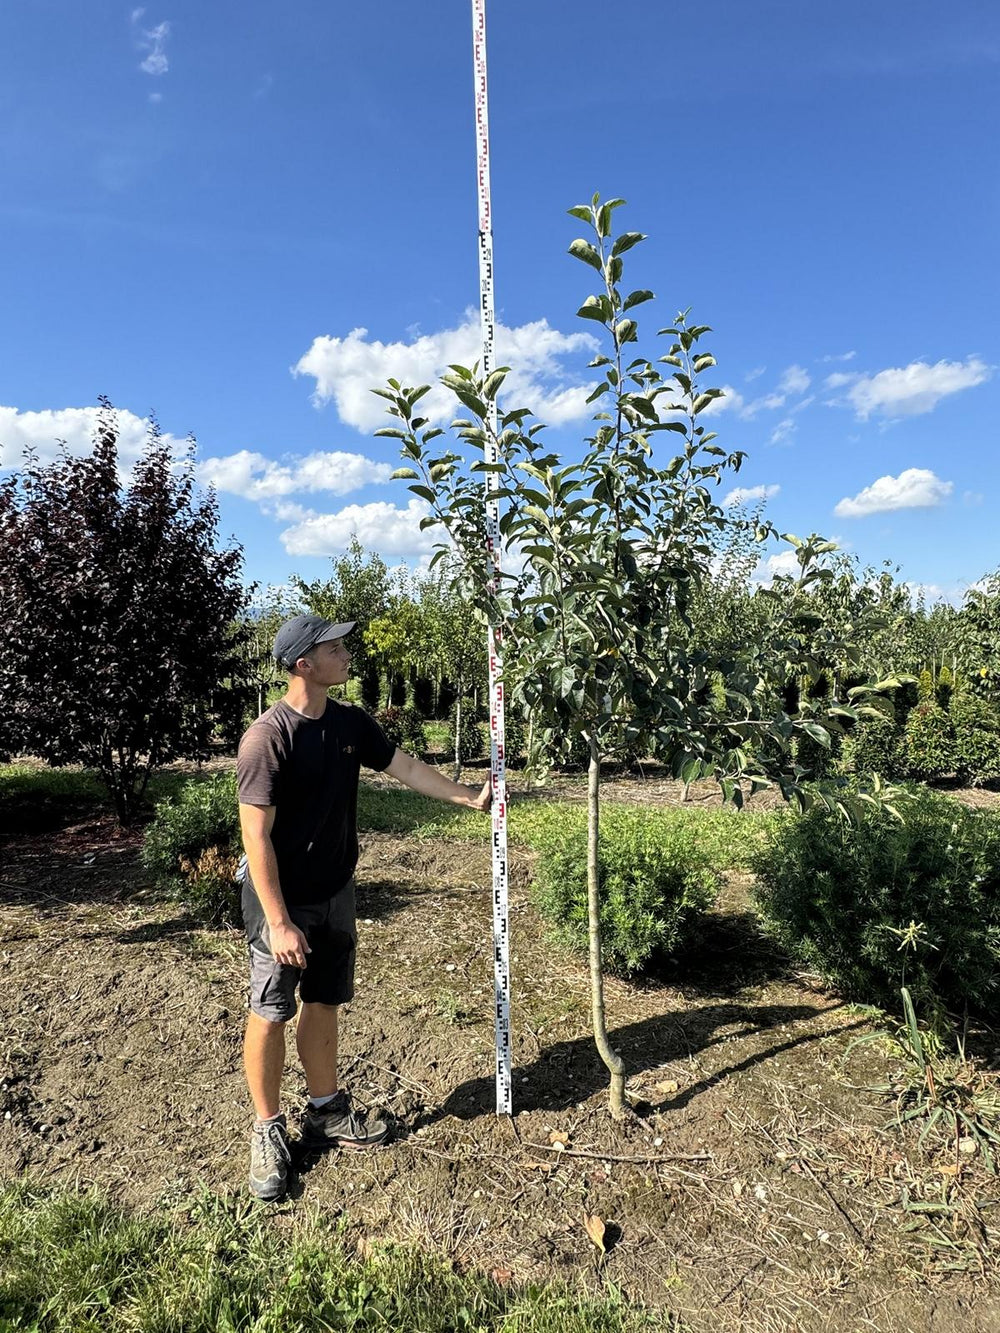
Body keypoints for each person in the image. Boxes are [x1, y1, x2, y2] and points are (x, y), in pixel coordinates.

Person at [236, 613, 491, 1201]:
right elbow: (255, 836)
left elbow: (402, 766)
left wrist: (466, 797)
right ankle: (267, 1129)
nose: (348, 653)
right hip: (280, 899)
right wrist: (278, 922)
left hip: (335, 890)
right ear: (304, 664)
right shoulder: (268, 738)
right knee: (271, 1008)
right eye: (335, 647)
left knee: (324, 999)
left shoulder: (350, 723)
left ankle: (325, 1110)